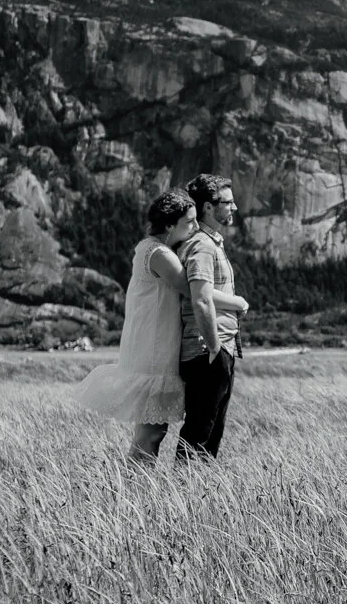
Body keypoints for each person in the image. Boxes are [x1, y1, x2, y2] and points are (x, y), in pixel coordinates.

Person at [71, 190, 248, 461]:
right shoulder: (160, 254)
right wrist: (237, 302)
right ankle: (138, 491)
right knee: (151, 434)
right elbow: (194, 290)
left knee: (153, 431)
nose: (196, 227)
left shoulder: (151, 248)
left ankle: (142, 490)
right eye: (189, 222)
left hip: (153, 343)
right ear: (169, 225)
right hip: (154, 348)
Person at [176, 173, 247, 461]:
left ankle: (195, 494)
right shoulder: (202, 245)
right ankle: (183, 496)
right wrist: (216, 349)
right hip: (207, 351)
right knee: (199, 434)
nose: (234, 208)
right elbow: (201, 298)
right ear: (207, 206)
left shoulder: (210, 243)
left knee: (209, 433)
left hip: (216, 350)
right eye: (227, 202)